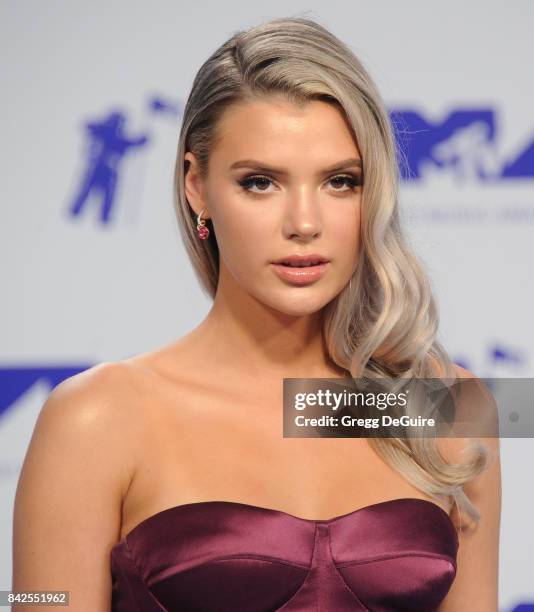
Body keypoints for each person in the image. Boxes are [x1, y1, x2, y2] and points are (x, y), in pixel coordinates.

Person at [12, 15, 501, 611]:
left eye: (340, 182)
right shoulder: (96, 420)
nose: (304, 223)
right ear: (197, 185)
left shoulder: (448, 407)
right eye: (261, 182)